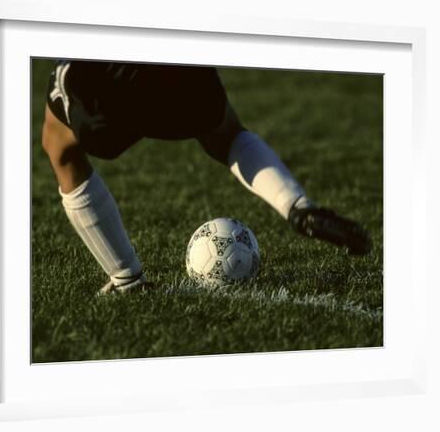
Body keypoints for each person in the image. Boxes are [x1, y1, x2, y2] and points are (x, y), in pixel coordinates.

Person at [41, 60, 371, 294]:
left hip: (110, 74)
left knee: (58, 143)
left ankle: (127, 280)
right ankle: (298, 206)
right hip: (177, 60)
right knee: (226, 134)